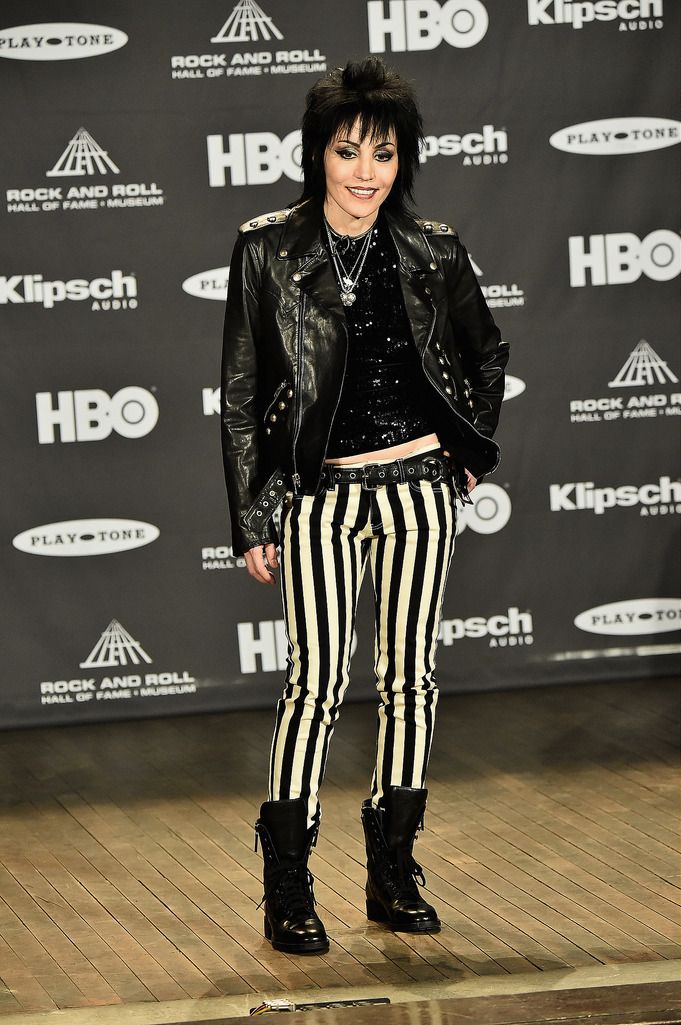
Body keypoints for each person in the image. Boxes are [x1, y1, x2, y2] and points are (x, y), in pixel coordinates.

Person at [220, 56, 509, 955]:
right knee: (314, 683)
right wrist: (250, 516)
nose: (364, 171)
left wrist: (464, 455)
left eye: (382, 154)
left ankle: (391, 870)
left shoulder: (434, 248)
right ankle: (288, 885)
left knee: (410, 678)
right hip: (316, 499)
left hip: (419, 492)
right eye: (347, 151)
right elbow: (239, 392)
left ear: (402, 162)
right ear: (317, 154)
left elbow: (486, 353)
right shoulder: (266, 248)